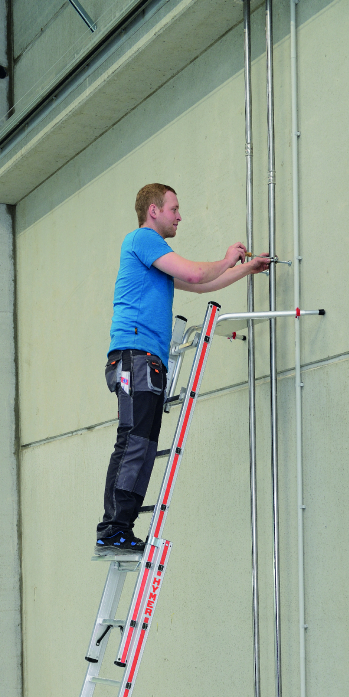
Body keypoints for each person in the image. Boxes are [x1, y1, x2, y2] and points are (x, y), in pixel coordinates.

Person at [95, 183, 270, 558]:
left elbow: (203, 284)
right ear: (153, 211)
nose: (179, 216)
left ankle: (119, 528)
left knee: (143, 443)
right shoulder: (143, 239)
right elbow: (193, 274)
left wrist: (246, 268)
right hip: (135, 356)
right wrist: (228, 257)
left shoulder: (154, 260)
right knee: (134, 440)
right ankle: (113, 528)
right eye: (173, 209)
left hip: (142, 360)